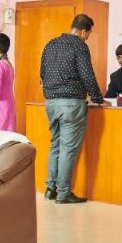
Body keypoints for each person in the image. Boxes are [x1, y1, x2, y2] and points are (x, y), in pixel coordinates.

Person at [40, 13, 105, 204]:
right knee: (68, 149)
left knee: (55, 144)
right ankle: (63, 193)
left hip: (50, 103)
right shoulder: (79, 45)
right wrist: (97, 98)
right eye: (88, 34)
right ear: (83, 31)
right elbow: (87, 75)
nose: (87, 38)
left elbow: (42, 74)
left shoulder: (51, 44)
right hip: (71, 104)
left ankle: (50, 188)